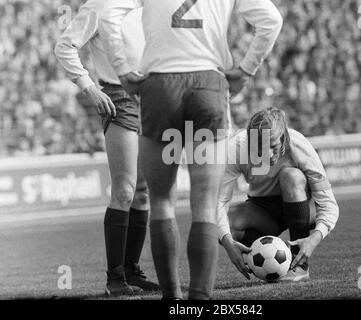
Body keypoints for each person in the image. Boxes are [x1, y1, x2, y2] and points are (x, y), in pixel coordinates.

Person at [99, 0, 283, 300]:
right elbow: (272, 20)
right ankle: (199, 300)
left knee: (160, 202)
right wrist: (246, 69)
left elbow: (107, 15)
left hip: (159, 87)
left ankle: (171, 299)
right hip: (208, 85)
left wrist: (121, 70)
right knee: (204, 203)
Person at [54, 0, 159, 296]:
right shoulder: (101, 5)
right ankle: (115, 279)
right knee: (124, 189)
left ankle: (131, 271)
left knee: (141, 191)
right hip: (119, 97)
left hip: (151, 97)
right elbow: (64, 46)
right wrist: (89, 87)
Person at [217, 107, 339, 282]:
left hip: (303, 204)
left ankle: (299, 265)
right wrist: (228, 243)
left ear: (283, 138)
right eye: (260, 148)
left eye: (273, 146)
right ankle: (266, 253)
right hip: (263, 209)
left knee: (291, 176)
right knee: (222, 227)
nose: (268, 154)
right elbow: (219, 203)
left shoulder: (298, 144)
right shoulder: (236, 148)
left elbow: (328, 204)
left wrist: (314, 238)